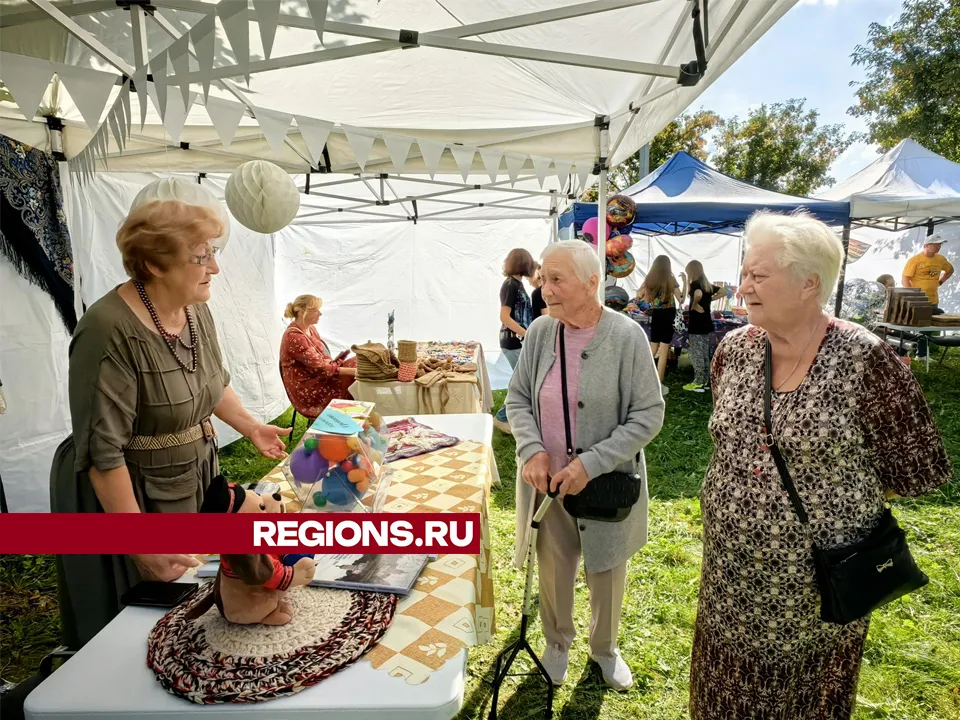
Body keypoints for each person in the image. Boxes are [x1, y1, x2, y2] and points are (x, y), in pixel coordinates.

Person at [689, 211, 951, 720]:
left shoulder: (864, 358)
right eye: (744, 273)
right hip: (729, 575)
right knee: (724, 690)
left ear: (809, 283)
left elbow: (914, 468)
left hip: (817, 583)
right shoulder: (735, 350)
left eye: (759, 275)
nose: (744, 287)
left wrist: (829, 503)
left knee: (804, 697)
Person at [50, 199, 292, 650]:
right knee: (137, 620)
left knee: (190, 596)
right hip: (129, 493)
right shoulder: (108, 331)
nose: (214, 268)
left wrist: (251, 426)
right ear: (153, 265)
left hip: (188, 474)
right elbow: (104, 454)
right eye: (200, 257)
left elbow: (213, 382)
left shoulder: (194, 309)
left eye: (213, 253)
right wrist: (140, 541)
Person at [506, 240, 665, 691]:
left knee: (607, 568)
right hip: (548, 483)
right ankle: (557, 644)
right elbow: (518, 399)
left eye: (557, 279)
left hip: (604, 484)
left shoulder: (626, 336)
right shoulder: (541, 331)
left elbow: (649, 414)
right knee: (553, 567)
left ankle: (605, 650)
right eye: (543, 278)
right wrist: (532, 450)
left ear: (592, 282)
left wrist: (591, 464)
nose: (545, 289)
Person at [280, 294, 357, 422]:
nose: (320, 314)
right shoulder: (294, 336)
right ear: (302, 312)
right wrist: (354, 372)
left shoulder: (311, 329)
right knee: (355, 375)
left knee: (358, 362)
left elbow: (322, 358)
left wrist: (333, 362)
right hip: (309, 389)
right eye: (316, 310)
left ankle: (357, 419)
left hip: (318, 377)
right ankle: (349, 420)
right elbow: (321, 368)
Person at [494, 248, 537, 433]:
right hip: (512, 340)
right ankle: (502, 417)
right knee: (522, 380)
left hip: (517, 339)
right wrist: (525, 333)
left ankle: (508, 416)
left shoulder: (517, 284)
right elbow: (504, 316)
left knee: (522, 379)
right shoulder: (511, 285)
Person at [638, 255, 683, 394]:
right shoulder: (671, 278)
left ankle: (641, 379)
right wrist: (685, 282)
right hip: (669, 314)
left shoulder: (650, 279)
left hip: (656, 314)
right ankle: (659, 383)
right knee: (664, 350)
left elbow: (641, 297)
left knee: (653, 347)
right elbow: (680, 299)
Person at [680, 260, 715, 392]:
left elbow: (698, 294)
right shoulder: (707, 285)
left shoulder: (696, 284)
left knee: (697, 353)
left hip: (697, 324)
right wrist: (708, 300)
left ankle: (698, 382)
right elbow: (723, 291)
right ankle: (705, 380)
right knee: (705, 353)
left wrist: (695, 305)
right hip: (706, 322)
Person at [902, 234, 953, 312]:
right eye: (935, 244)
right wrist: (912, 296)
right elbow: (905, 279)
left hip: (933, 300)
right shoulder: (915, 260)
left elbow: (950, 270)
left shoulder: (940, 259)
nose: (938, 247)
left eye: (940, 244)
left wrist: (940, 282)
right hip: (918, 300)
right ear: (926, 246)